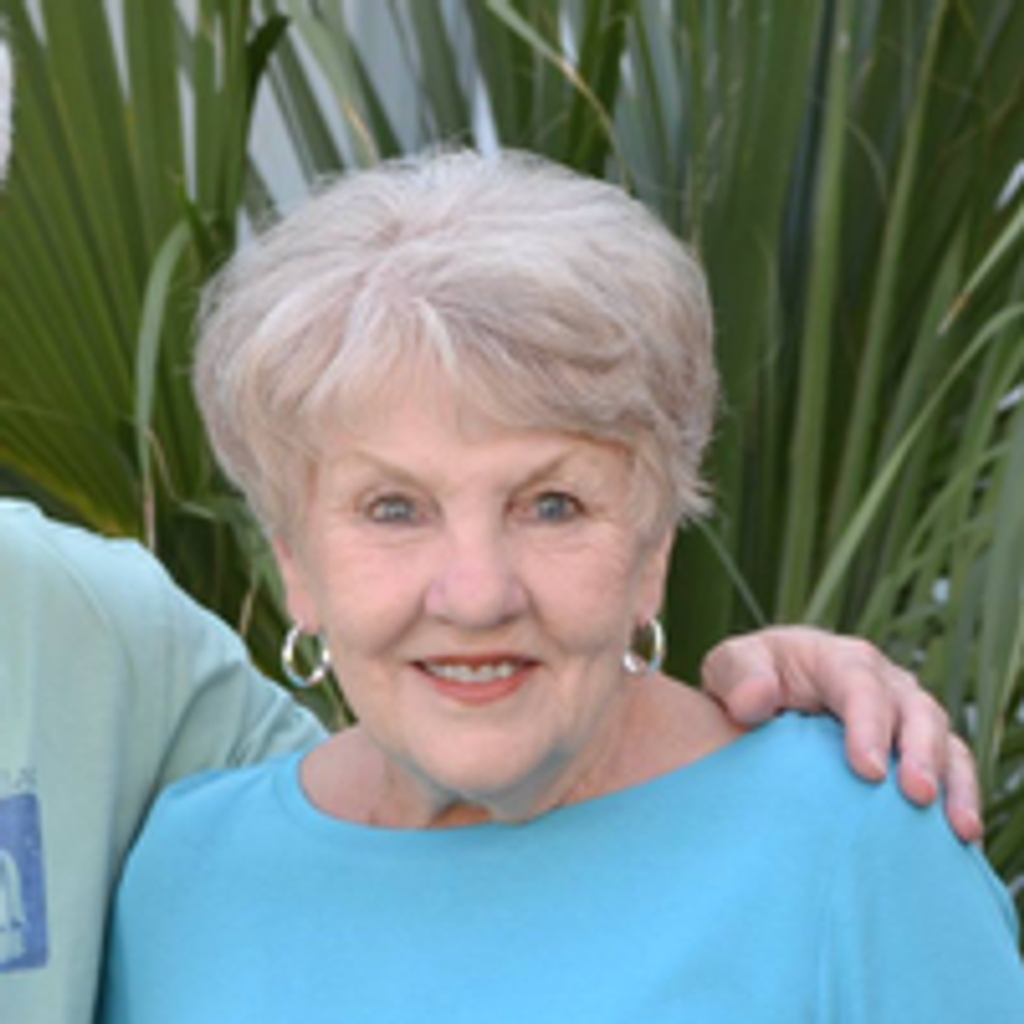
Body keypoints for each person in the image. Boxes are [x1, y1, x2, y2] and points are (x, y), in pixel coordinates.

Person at [0, 44, 986, 1024]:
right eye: (394, 509)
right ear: (293, 559)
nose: (475, 594)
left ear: (654, 542)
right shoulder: (188, 877)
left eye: (551, 505)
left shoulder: (852, 843)